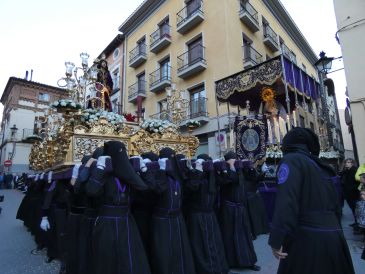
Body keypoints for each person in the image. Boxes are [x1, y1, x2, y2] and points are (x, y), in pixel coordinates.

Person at [269, 127, 354, 274]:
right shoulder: (323, 166)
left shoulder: (291, 160)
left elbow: (287, 201)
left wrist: (277, 238)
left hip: (308, 241)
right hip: (335, 238)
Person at [85, 141, 151, 274]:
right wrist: (100, 169)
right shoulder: (104, 173)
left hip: (126, 222)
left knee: (129, 258)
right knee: (108, 260)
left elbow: (144, 188)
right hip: (106, 223)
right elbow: (91, 190)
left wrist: (143, 170)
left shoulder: (127, 174)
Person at [184, 153, 229, 274]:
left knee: (214, 243)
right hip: (197, 216)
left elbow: (225, 181)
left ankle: (218, 268)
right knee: (200, 246)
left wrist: (222, 168)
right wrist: (197, 171)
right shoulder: (194, 175)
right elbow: (191, 188)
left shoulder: (212, 176)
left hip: (210, 215)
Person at [217, 151, 260, 271]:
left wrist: (250, 167)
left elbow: (254, 178)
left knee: (245, 236)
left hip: (241, 208)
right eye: (233, 160)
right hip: (229, 209)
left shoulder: (240, 170)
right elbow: (232, 180)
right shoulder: (223, 172)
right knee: (229, 236)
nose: (235, 162)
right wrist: (230, 167)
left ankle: (249, 261)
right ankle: (231, 263)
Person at [339, 158, 359, 227]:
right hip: (348, 194)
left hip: (353, 194)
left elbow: (357, 182)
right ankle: (356, 222)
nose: (346, 164)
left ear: (352, 163)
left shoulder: (354, 170)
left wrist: (352, 189)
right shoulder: (346, 171)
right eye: (346, 162)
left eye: (348, 162)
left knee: (356, 209)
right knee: (353, 209)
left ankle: (358, 224)